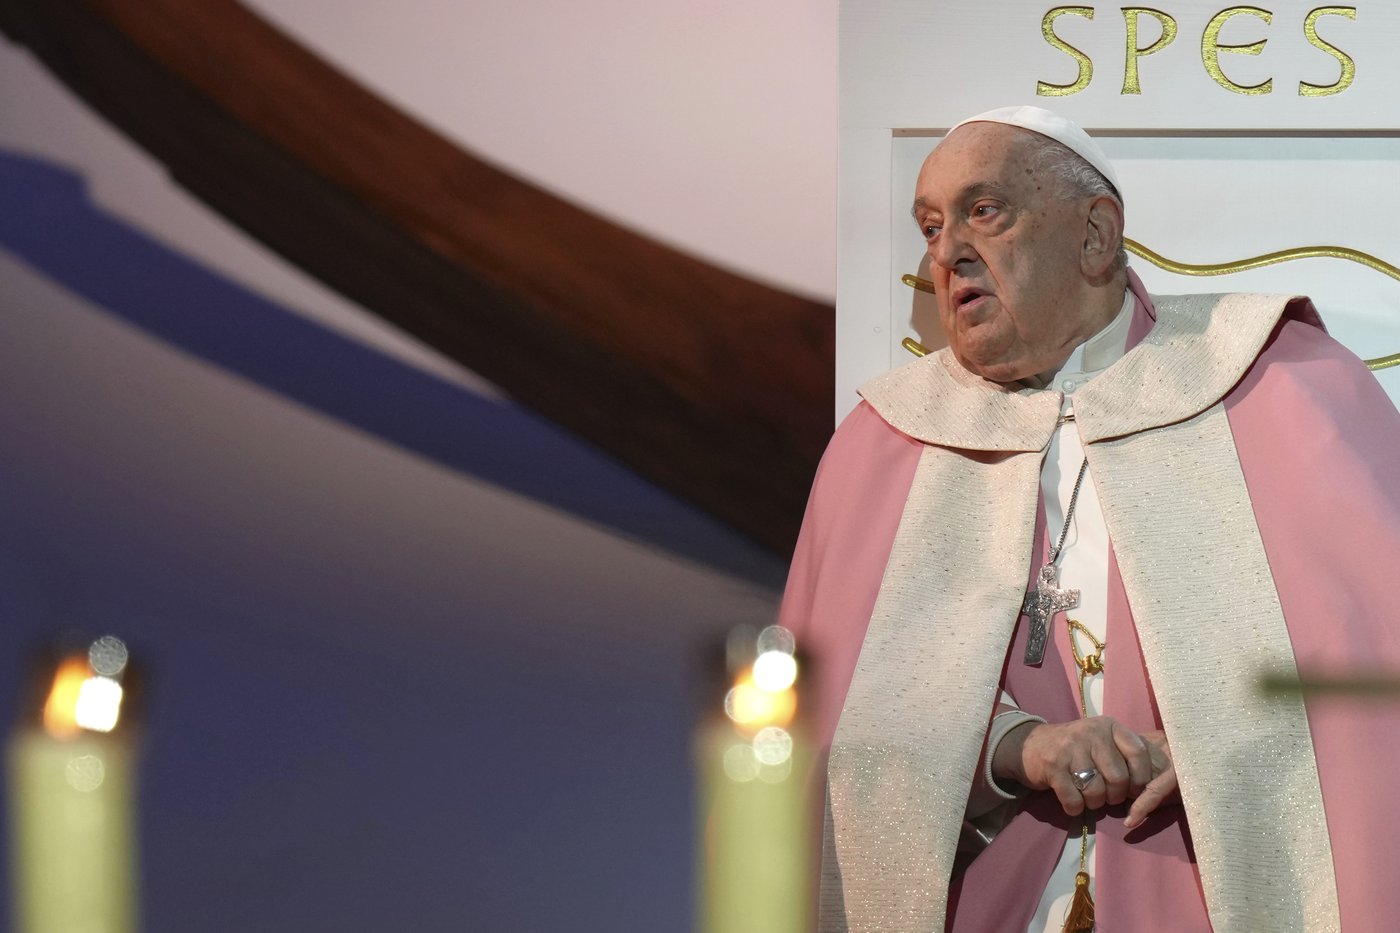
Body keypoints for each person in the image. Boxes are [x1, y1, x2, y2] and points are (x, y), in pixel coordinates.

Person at [779, 105, 1400, 932]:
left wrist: (1221, 742)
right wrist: (1014, 745)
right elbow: (825, 723)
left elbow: (1377, 664)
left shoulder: (1284, 384)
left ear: (1096, 234)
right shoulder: (884, 444)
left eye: (983, 210)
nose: (947, 249)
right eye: (929, 226)